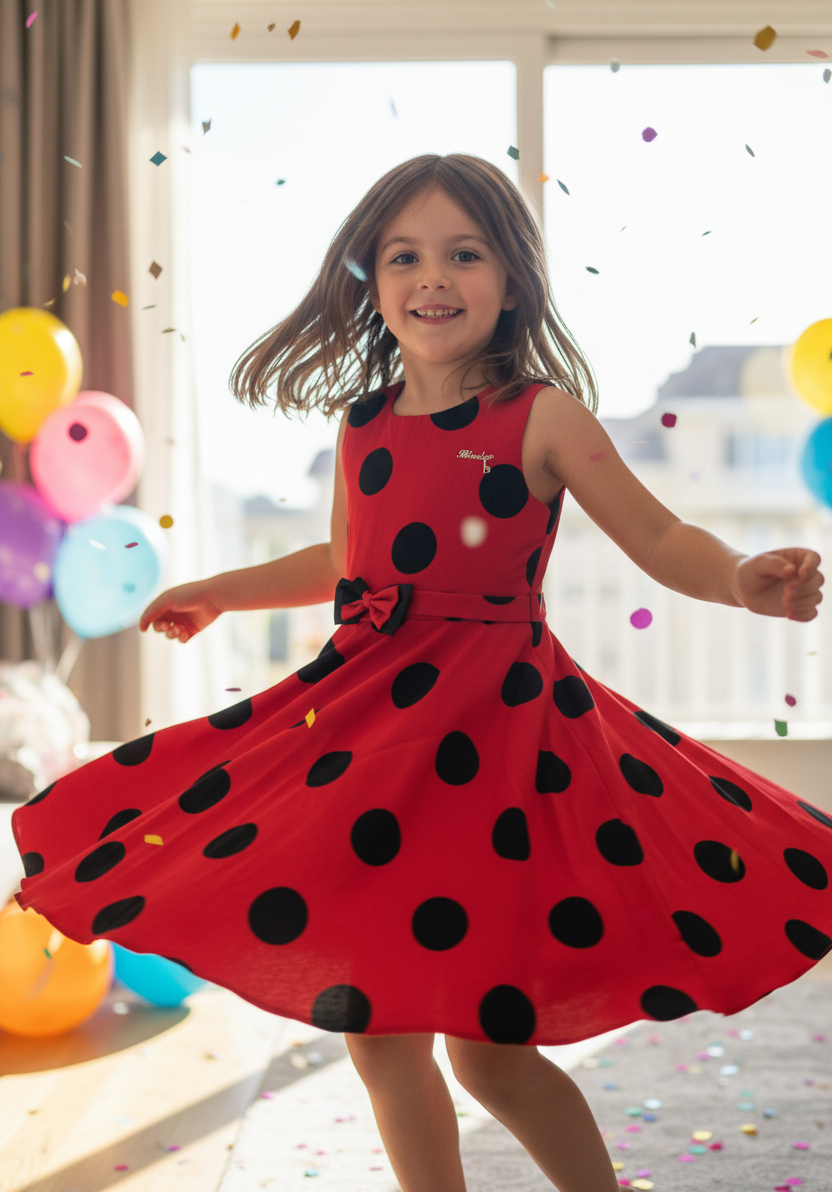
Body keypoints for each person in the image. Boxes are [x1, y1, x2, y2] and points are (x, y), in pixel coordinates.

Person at [12, 154, 828, 1192]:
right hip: (373, 740)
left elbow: (662, 537)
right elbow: (347, 564)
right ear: (371, 280)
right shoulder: (361, 428)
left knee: (489, 1049)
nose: (431, 276)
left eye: (462, 253)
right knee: (380, 1036)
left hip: (494, 747)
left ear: (510, 280)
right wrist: (220, 589)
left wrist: (739, 580)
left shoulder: (543, 418)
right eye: (404, 256)